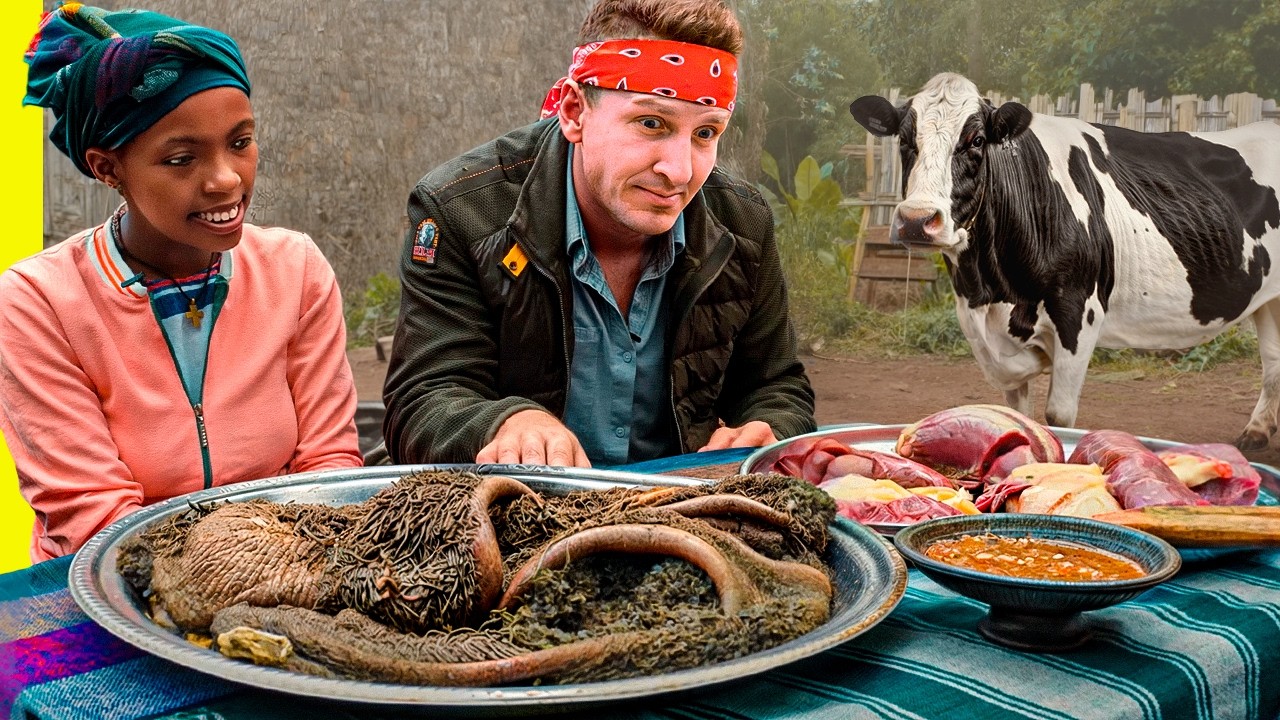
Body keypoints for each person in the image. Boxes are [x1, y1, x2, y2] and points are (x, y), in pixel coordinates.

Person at [383, 0, 815, 468]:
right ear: (574, 112)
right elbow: (423, 399)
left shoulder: (743, 224)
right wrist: (507, 423)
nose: (679, 170)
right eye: (651, 124)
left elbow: (777, 387)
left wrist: (771, 429)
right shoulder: (461, 211)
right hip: (510, 509)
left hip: (681, 513)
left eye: (705, 133)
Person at [1, 3, 362, 562]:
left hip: (291, 570)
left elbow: (329, 467)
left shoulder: (295, 270)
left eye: (240, 143)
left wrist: (285, 580)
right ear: (107, 167)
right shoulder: (39, 303)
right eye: (180, 158)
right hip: (108, 584)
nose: (226, 180)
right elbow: (94, 513)